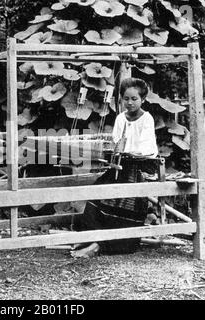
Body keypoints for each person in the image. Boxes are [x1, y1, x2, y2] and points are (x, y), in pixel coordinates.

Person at [72, 78, 159, 257]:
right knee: (98, 191)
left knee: (126, 201)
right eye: (126, 99)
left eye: (134, 99)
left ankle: (100, 246)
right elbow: (116, 143)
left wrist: (127, 151)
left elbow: (147, 148)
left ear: (143, 99)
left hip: (142, 166)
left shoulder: (147, 119)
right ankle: (93, 238)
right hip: (122, 164)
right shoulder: (120, 118)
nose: (130, 103)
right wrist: (115, 150)